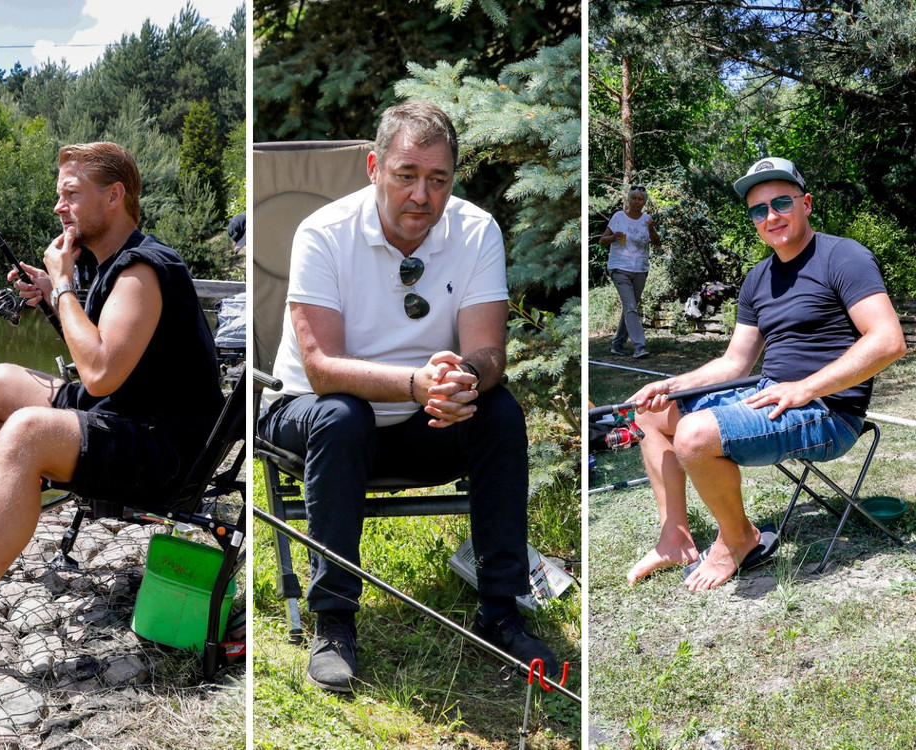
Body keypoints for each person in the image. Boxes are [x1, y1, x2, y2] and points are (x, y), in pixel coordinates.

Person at [257, 100, 559, 692]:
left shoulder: (476, 230)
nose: (422, 195)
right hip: (315, 420)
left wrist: (462, 378)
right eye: (406, 175)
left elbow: (489, 352)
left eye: (438, 179)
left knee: (497, 410)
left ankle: (501, 609)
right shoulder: (323, 232)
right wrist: (417, 384)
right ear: (374, 167)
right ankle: (334, 621)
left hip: (427, 422)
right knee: (341, 415)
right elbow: (320, 368)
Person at [0, 141, 223, 680]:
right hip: (129, 412)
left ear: (115, 195)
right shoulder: (109, 267)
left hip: (166, 450)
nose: (59, 207)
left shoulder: (142, 271)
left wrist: (62, 286)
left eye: (71, 195)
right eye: (59, 195)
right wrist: (53, 294)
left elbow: (101, 371)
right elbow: (102, 359)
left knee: (28, 430)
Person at [625, 156, 907, 592]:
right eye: (759, 210)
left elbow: (888, 341)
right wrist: (670, 386)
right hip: (770, 396)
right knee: (648, 414)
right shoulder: (758, 278)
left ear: (806, 203)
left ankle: (739, 540)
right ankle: (674, 538)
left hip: (829, 411)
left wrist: (804, 388)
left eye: (781, 203)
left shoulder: (844, 256)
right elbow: (735, 364)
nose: (771, 216)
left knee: (695, 435)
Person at [599, 185, 660, 358]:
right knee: (631, 307)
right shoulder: (618, 217)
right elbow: (602, 241)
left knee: (630, 307)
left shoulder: (647, 219)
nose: (637, 201)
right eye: (634, 198)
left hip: (640, 269)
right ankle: (640, 347)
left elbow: (656, 242)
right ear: (628, 199)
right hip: (619, 268)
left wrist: (652, 229)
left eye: (640, 199)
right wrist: (613, 237)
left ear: (644, 202)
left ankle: (617, 345)